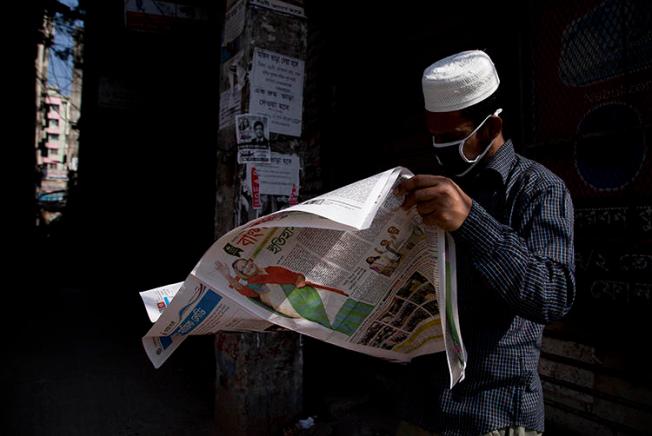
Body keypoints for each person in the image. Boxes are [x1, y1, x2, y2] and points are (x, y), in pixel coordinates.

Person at [394, 50, 575, 435]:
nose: (440, 148)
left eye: (452, 138)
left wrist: (470, 221)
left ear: (492, 128)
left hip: (493, 413)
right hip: (422, 406)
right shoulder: (439, 188)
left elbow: (554, 293)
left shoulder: (538, 189)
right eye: (434, 137)